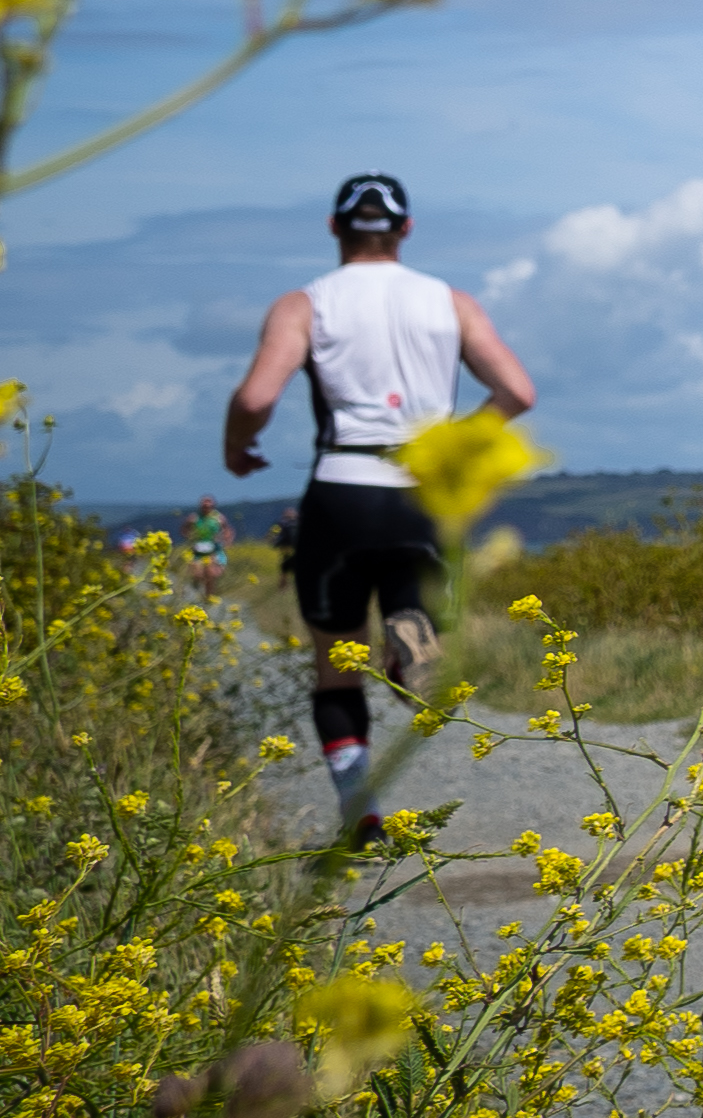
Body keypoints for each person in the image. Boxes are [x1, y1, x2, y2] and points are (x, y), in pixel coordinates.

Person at [221, 171, 541, 841]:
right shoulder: (450, 302)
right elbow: (516, 391)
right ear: (407, 229)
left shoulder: (303, 305)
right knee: (417, 623)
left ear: (335, 227)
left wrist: (238, 448)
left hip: (342, 486)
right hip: (422, 492)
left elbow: (255, 400)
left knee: (336, 669)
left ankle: (360, 812)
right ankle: (411, 646)